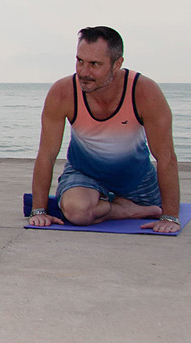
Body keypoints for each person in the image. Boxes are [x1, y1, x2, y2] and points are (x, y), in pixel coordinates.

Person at [28, 26, 181, 233]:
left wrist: (170, 217)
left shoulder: (144, 92)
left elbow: (166, 157)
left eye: (94, 64)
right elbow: (47, 154)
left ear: (117, 64)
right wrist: (39, 210)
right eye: (80, 61)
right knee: (77, 212)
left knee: (159, 206)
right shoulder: (63, 92)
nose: (84, 72)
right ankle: (125, 209)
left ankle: (115, 204)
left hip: (135, 176)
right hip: (85, 173)